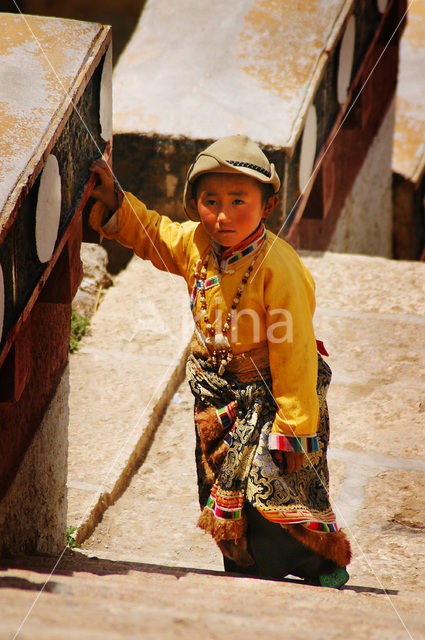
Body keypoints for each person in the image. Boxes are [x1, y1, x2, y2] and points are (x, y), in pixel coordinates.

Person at [89, 135, 351, 588]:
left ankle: (320, 562)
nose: (223, 215)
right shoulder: (198, 245)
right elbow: (157, 235)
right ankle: (245, 568)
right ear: (195, 203)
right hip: (218, 397)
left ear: (267, 207)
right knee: (220, 490)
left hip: (272, 399)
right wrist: (116, 203)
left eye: (238, 201)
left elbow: (295, 354)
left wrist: (294, 427)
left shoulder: (278, 268)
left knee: (271, 490)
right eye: (211, 201)